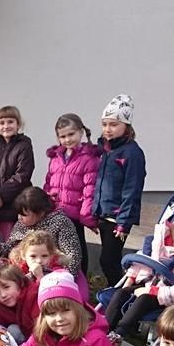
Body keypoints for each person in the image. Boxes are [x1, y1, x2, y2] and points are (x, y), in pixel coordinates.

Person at [105, 207, 174, 339]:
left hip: (170, 298)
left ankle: (118, 334)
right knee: (120, 293)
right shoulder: (159, 242)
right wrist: (131, 278)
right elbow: (142, 261)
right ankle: (104, 328)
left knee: (144, 299)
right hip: (146, 285)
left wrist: (152, 291)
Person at [93, 94, 147, 285]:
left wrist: (123, 221)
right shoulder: (106, 150)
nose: (108, 129)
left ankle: (120, 293)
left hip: (118, 217)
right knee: (109, 260)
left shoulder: (132, 153)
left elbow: (132, 189)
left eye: (114, 124)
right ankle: (116, 291)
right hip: (104, 213)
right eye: (105, 124)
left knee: (108, 260)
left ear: (127, 126)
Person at [43, 114, 100, 274]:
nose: (67, 139)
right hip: (56, 212)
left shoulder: (89, 158)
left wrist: (87, 217)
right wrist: (45, 205)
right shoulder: (56, 158)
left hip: (74, 215)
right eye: (62, 136)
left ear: (81, 132)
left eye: (71, 134)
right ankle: (59, 277)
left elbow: (90, 189)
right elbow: (49, 183)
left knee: (77, 249)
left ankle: (81, 279)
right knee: (56, 248)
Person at [0, 187, 85, 286]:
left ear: (40, 213)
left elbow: (73, 256)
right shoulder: (21, 224)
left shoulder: (61, 222)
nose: (19, 218)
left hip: (53, 276)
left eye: (24, 215)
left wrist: (62, 280)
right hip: (24, 275)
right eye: (19, 213)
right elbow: (10, 249)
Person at [0, 105, 35, 241]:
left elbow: (22, 175)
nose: (6, 126)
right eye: (2, 123)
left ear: (18, 124)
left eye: (10, 122)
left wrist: (1, 196)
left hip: (12, 207)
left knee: (13, 245)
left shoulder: (24, 145)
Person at [0, 259, 40, 343]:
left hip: (42, 335)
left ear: (20, 283)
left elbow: (41, 328)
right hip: (26, 338)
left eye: (6, 287)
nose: (3, 295)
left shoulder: (33, 295)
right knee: (12, 330)